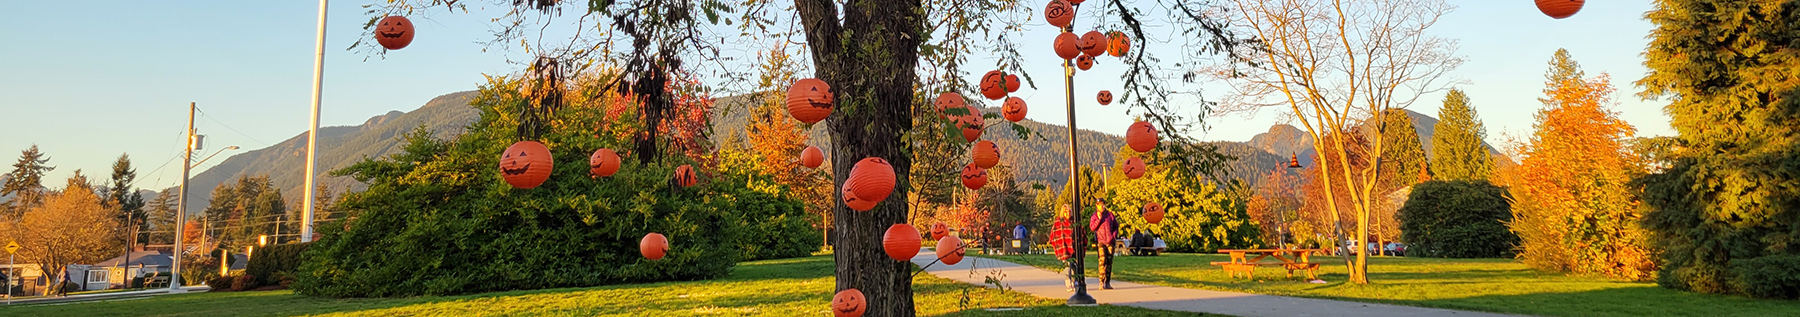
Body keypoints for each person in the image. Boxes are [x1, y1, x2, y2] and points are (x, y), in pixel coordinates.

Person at [1089, 198, 1119, 289]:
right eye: (1099, 204)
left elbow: (1116, 226)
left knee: (1109, 262)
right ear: (1096, 205)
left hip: (1110, 241)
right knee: (1102, 261)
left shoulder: (1110, 215)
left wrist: (1114, 236)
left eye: (1103, 204)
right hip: (1101, 241)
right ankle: (1101, 281)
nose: (1101, 206)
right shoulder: (1095, 216)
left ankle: (1107, 282)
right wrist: (1099, 219)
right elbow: (1092, 228)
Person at [1050, 205, 1075, 291]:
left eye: (1069, 211)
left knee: (1074, 267)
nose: (1068, 213)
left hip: (1073, 249)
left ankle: (1074, 283)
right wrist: (1059, 247)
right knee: (1067, 267)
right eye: (1066, 211)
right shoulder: (1058, 222)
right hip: (1064, 250)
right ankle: (1068, 284)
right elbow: (1053, 237)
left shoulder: (1073, 222)